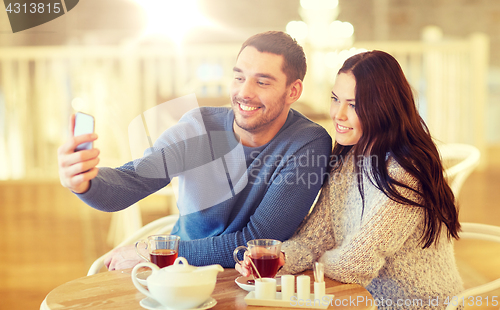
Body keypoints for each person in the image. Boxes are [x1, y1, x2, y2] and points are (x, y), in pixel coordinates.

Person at [57, 31, 332, 269]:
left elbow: (257, 241)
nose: (244, 93)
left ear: (293, 91)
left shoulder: (306, 143)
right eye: (239, 78)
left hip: (253, 281)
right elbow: (132, 181)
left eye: (262, 82)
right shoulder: (200, 128)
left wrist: (153, 254)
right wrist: (84, 182)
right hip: (178, 275)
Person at [236, 50, 463, 309]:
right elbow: (313, 239)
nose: (338, 114)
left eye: (353, 105)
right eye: (335, 99)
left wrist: (315, 260)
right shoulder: (348, 159)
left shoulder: (405, 172)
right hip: (360, 299)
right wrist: (279, 258)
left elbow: (355, 265)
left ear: (384, 107)